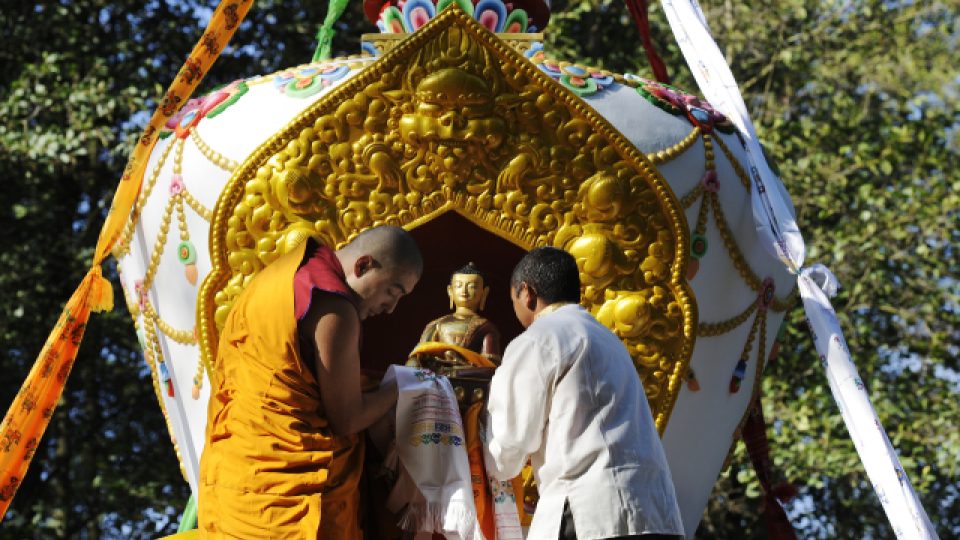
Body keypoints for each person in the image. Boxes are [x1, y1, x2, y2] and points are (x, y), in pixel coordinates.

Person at [198, 226, 423, 539]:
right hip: (287, 500)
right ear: (363, 265)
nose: (391, 308)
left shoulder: (277, 277)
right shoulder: (334, 308)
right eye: (392, 291)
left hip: (235, 480)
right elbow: (347, 418)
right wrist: (404, 384)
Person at [483, 247, 684, 540]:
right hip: (656, 513)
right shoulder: (610, 340)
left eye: (513, 299)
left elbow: (509, 448)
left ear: (527, 293)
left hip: (590, 513)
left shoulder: (538, 339)